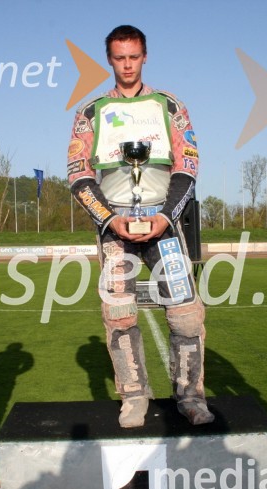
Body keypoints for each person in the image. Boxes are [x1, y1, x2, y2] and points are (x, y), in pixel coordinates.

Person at [67, 25, 213, 428]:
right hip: (115, 227)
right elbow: (78, 174)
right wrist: (110, 218)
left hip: (162, 224)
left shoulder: (169, 106)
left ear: (145, 56)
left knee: (185, 314)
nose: (127, 65)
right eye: (119, 57)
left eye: (134, 57)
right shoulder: (91, 112)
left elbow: (189, 165)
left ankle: (190, 396)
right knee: (119, 315)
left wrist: (165, 216)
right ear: (109, 59)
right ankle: (133, 396)